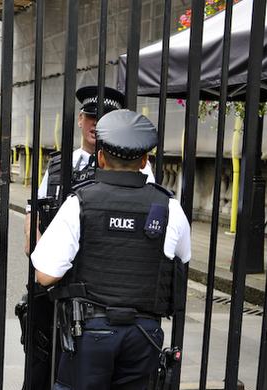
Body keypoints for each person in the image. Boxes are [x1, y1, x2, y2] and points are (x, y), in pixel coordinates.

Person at [31, 109, 191, 390]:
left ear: (101, 158)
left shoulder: (79, 203)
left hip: (90, 330)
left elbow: (45, 275)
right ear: (144, 160)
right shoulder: (170, 208)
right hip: (145, 334)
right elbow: (182, 258)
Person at [17, 86, 154, 390]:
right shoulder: (57, 165)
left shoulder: (142, 173)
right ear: (80, 120)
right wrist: (35, 242)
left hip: (100, 299)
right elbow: (35, 210)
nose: (95, 124)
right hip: (53, 290)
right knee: (41, 366)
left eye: (103, 119)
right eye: (91, 117)